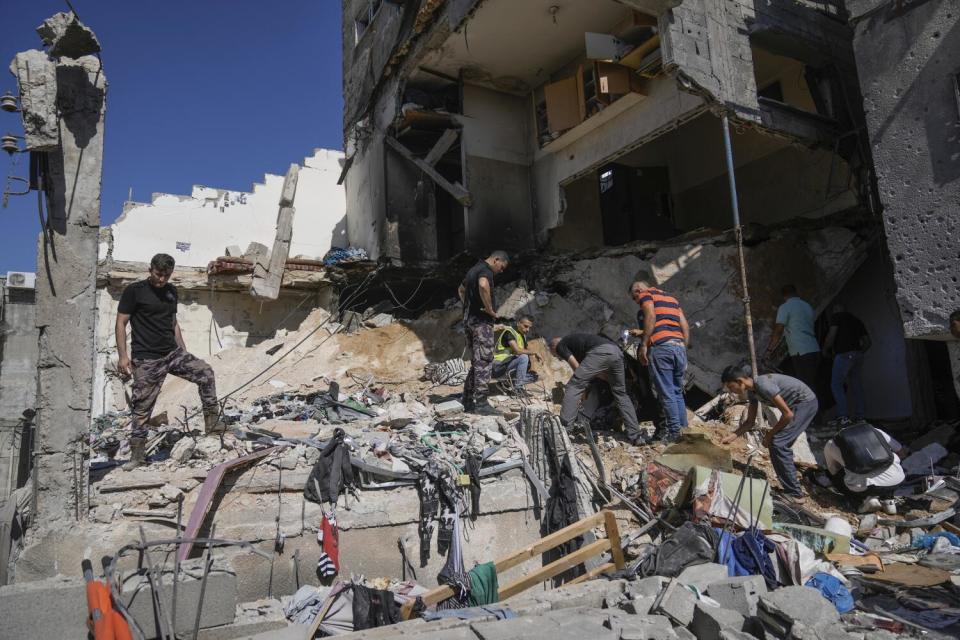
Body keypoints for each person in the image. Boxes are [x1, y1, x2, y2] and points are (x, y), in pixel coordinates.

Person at [116, 254, 222, 470]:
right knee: (142, 408)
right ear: (150, 269)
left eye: (166, 275)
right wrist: (123, 356)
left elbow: (173, 323)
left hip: (172, 354)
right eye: (158, 274)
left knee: (206, 373)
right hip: (147, 359)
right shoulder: (134, 291)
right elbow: (120, 323)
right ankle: (137, 456)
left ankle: (212, 423)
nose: (162, 279)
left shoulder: (171, 292)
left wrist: (183, 351)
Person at [720, 363, 818, 499]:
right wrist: (732, 436)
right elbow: (749, 422)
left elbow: (787, 415)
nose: (732, 391)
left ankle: (795, 495)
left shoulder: (763, 385)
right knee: (778, 443)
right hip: (796, 406)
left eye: (731, 387)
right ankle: (791, 488)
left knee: (778, 443)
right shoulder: (753, 392)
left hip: (805, 403)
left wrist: (769, 435)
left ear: (740, 381)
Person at [549, 333, 643, 445]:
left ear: (553, 347)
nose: (559, 358)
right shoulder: (579, 342)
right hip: (617, 353)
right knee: (621, 394)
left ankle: (564, 429)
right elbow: (598, 373)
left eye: (555, 355)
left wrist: (581, 388)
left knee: (573, 386)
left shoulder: (561, 345)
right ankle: (636, 436)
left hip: (601, 352)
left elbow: (576, 368)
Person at [629, 282, 690, 442]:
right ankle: (684, 431)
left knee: (667, 393)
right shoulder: (672, 299)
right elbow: (684, 325)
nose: (637, 302)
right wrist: (683, 347)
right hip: (678, 347)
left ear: (638, 290)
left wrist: (643, 344)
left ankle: (675, 434)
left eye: (635, 298)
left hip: (661, 348)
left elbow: (650, 316)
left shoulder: (646, 295)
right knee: (677, 392)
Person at [458, 250, 509, 412]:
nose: (501, 271)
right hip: (481, 322)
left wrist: (469, 305)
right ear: (496, 260)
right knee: (484, 361)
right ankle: (482, 403)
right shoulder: (485, 271)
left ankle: (467, 399)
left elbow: (461, 290)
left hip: (468, 320)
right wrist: (489, 310)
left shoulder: (473, 270)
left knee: (476, 361)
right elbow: (483, 285)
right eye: (502, 267)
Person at [822, 423, 906, 505]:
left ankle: (862, 501)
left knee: (835, 476)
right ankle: (887, 499)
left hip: (867, 488)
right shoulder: (876, 431)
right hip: (897, 480)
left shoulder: (831, 444)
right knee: (890, 468)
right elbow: (901, 452)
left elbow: (833, 471)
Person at [822, 304, 870, 426]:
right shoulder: (856, 320)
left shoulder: (837, 317)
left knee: (836, 384)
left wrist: (825, 350)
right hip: (857, 355)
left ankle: (843, 416)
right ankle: (861, 417)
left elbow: (831, 336)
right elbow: (868, 341)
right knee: (856, 384)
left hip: (843, 355)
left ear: (836, 310)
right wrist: (858, 352)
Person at [765, 285, 819, 392]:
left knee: (806, 387)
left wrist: (769, 350)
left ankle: (813, 408)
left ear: (784, 296)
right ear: (796, 292)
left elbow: (778, 331)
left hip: (801, 351)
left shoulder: (785, 307)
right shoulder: (807, 305)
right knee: (812, 383)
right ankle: (817, 407)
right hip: (814, 349)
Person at [493, 315, 540, 389]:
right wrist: (534, 352)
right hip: (498, 366)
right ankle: (518, 388)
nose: (527, 330)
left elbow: (528, 351)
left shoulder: (522, 336)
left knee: (534, 376)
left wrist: (532, 368)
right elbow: (517, 350)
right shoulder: (510, 331)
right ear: (518, 323)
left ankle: (505, 383)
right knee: (523, 357)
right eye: (526, 326)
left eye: (529, 328)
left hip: (508, 367)